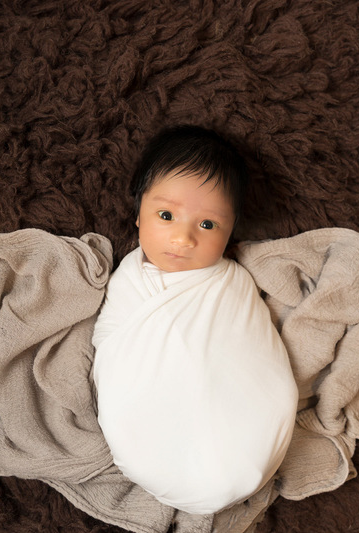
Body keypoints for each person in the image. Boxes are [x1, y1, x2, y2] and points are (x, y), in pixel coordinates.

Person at [92, 126, 298, 515]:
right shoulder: (130, 279)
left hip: (246, 426)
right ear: (138, 215)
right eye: (166, 215)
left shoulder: (232, 282)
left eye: (207, 225)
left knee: (262, 404)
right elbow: (112, 344)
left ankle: (234, 465)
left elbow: (248, 352)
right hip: (152, 422)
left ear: (230, 230)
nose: (183, 238)